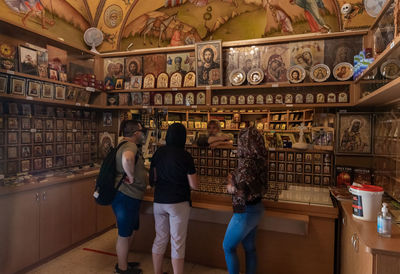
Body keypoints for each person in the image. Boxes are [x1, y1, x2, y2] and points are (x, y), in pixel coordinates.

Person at [149, 123, 199, 274]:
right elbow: (194, 185)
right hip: (178, 202)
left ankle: (157, 272)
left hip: (159, 201)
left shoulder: (158, 153)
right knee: (177, 242)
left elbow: (152, 179)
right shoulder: (186, 156)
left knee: (160, 238)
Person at [223, 126, 268, 274]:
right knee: (250, 248)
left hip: (245, 212)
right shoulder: (260, 160)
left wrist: (231, 188)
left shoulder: (246, 163)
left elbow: (241, 191)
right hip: (257, 209)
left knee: (228, 247)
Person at [112, 120, 148, 274]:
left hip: (128, 196)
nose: (142, 134)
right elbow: (127, 159)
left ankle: (124, 262)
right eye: (141, 131)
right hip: (125, 196)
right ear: (135, 133)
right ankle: (122, 269)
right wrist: (131, 177)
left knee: (129, 231)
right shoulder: (130, 146)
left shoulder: (123, 144)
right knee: (124, 233)